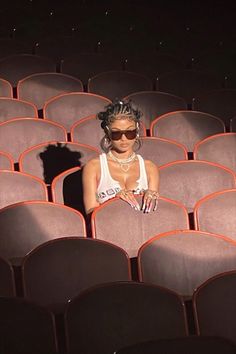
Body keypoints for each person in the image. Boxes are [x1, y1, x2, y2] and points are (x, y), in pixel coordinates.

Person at [82, 100, 159, 215]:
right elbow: (90, 213)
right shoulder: (93, 167)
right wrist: (114, 202)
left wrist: (151, 196)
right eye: (116, 133)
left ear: (137, 131)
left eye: (130, 133)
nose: (124, 138)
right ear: (107, 133)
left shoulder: (150, 168)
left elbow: (153, 212)